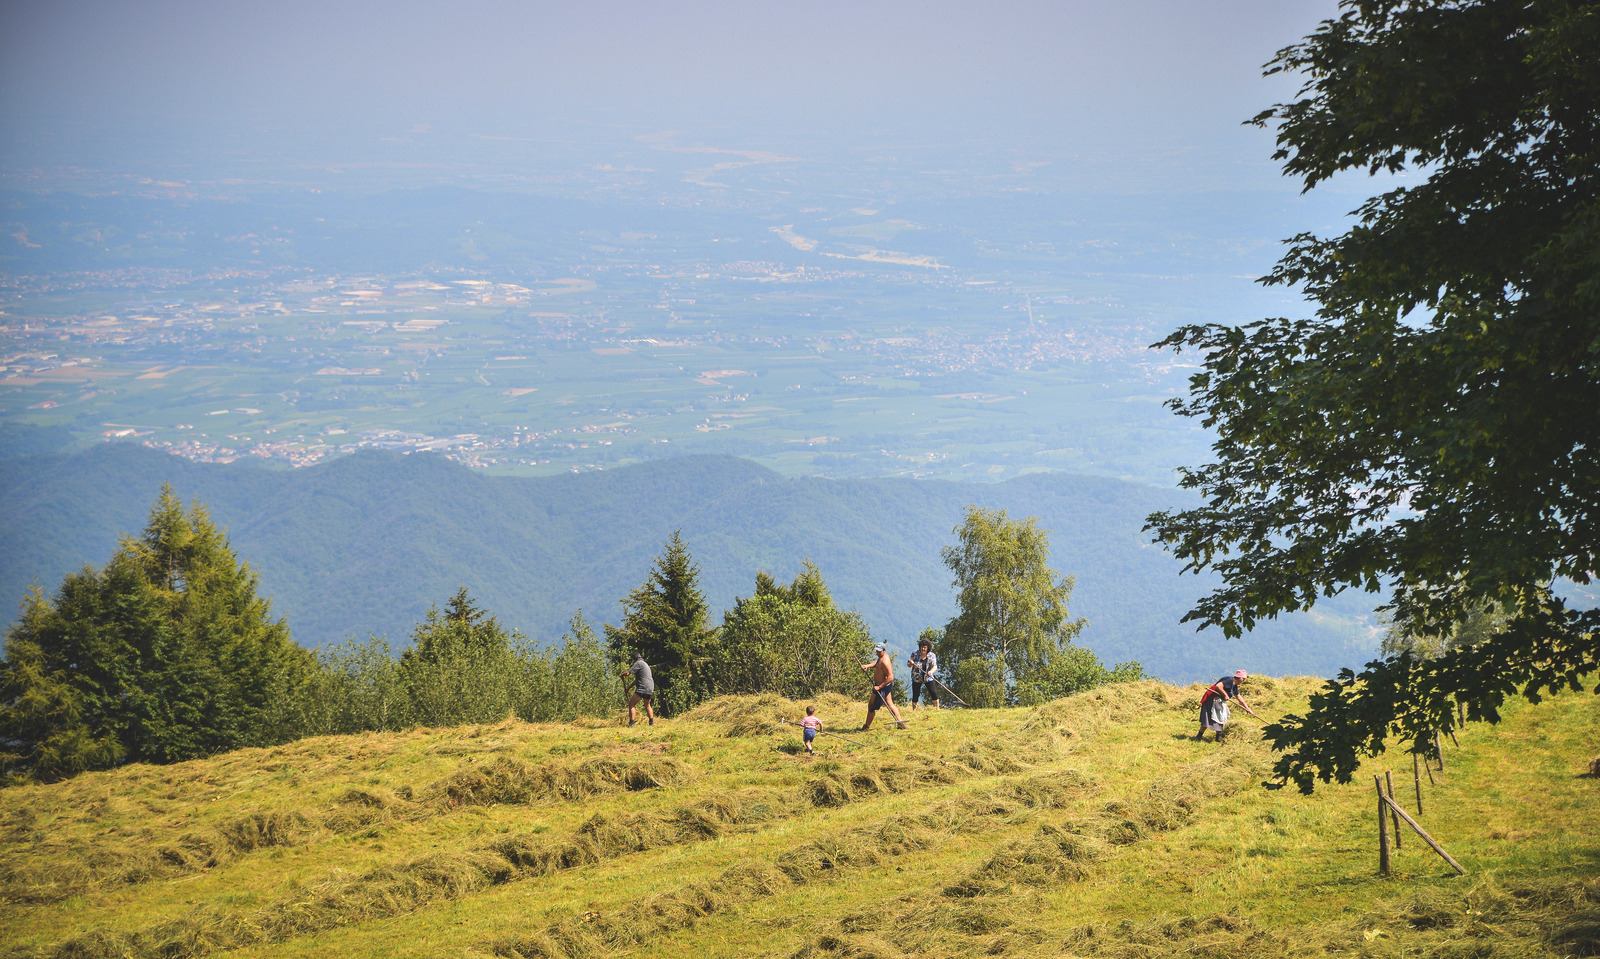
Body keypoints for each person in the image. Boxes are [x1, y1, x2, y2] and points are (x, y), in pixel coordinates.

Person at [1195, 669, 1260, 741]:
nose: (1244, 680)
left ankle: (1218, 737)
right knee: (1208, 718)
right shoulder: (1229, 680)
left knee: (1222, 717)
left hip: (1219, 702)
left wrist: (1247, 709)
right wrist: (1225, 695)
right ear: (1239, 677)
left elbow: (1239, 698)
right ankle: (1199, 736)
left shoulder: (1235, 686)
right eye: (1243, 679)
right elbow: (1218, 686)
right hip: (1212, 700)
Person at [860, 645, 905, 731]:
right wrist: (867, 666)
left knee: (871, 706)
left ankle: (866, 726)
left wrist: (879, 687)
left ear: (884, 650)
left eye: (879, 651)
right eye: (876, 651)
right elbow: (877, 663)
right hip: (880, 686)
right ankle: (900, 722)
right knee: (889, 704)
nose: (877, 652)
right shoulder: (881, 657)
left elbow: (891, 677)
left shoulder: (885, 661)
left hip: (882, 687)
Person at [906, 638, 940, 710]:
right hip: (917, 678)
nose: (923, 649)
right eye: (921, 647)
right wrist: (911, 663)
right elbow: (909, 665)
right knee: (915, 695)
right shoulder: (914, 653)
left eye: (924, 647)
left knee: (934, 693)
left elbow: (935, 666)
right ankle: (914, 710)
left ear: (928, 648)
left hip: (928, 677)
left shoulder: (932, 655)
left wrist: (931, 672)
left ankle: (937, 709)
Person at [625, 652, 656, 727]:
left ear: (635, 659)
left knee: (631, 704)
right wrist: (628, 688)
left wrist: (623, 674)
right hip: (650, 687)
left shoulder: (638, 663)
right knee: (647, 705)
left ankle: (631, 723)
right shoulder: (645, 664)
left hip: (643, 687)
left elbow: (627, 673)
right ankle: (651, 723)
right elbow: (637, 680)